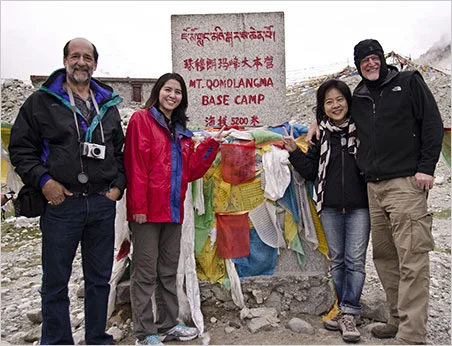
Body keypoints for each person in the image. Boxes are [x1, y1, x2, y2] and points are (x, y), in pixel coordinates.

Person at [306, 39, 444, 345]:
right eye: (363, 60)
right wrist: (314, 123)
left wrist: (427, 168)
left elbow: (432, 124)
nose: (370, 63)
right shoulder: (361, 96)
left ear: (382, 58)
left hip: (406, 183)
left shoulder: (409, 82)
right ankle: (396, 318)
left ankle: (413, 333)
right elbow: (334, 113)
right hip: (373, 187)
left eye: (374, 57)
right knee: (384, 257)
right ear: (357, 66)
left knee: (411, 257)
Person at [8, 37, 126, 345]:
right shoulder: (41, 102)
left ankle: (97, 337)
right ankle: (58, 341)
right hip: (62, 205)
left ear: (95, 64)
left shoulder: (108, 104)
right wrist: (44, 182)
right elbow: (21, 149)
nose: (81, 62)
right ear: (65, 61)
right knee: (56, 282)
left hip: (101, 203)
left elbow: (120, 150)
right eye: (75, 56)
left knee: (99, 279)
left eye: (88, 57)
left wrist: (118, 186)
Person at [124, 73, 229, 346]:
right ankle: (145, 333)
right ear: (158, 91)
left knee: (168, 271)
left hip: (172, 210)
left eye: (178, 92)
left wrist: (211, 143)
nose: (172, 95)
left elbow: (190, 170)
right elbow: (135, 166)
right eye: (168, 89)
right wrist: (138, 207)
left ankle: (168, 326)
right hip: (146, 212)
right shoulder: (141, 120)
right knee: (145, 273)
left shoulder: (181, 131)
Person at [283, 79, 370, 343]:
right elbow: (310, 171)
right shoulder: (320, 134)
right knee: (339, 259)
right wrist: (294, 152)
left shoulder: (363, 129)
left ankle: (349, 312)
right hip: (330, 206)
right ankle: (346, 309)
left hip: (361, 206)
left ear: (348, 101)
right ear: (322, 107)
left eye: (339, 99)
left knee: (355, 260)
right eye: (328, 102)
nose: (335, 105)